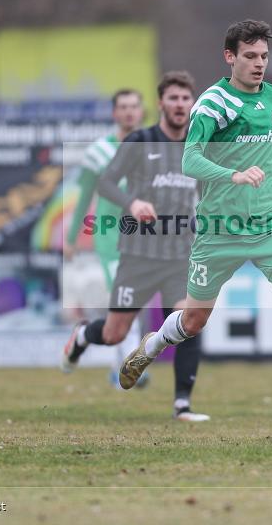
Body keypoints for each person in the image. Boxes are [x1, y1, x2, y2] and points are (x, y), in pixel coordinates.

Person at [117, 20, 272, 427]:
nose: (259, 64)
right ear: (230, 57)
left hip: (270, 225)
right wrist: (233, 175)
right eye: (250, 56)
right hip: (219, 230)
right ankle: (152, 345)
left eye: (264, 56)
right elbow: (190, 160)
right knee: (194, 321)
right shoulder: (213, 103)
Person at [62, 71, 208, 421]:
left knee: (190, 321)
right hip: (138, 255)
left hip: (179, 255)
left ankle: (182, 405)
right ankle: (83, 336)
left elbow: (207, 191)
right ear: (160, 104)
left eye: (185, 99)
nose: (179, 105)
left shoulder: (198, 145)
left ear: (192, 104)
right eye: (173, 98)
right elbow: (106, 184)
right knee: (115, 334)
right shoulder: (140, 141)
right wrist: (132, 204)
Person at [62, 89, 148, 388]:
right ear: (114, 113)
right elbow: (84, 196)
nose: (128, 112)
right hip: (111, 237)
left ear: (142, 111)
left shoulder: (152, 145)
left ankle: (117, 365)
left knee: (128, 307)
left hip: (144, 238)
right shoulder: (99, 151)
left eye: (134, 106)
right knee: (128, 302)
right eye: (122, 107)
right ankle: (132, 369)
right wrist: (71, 238)